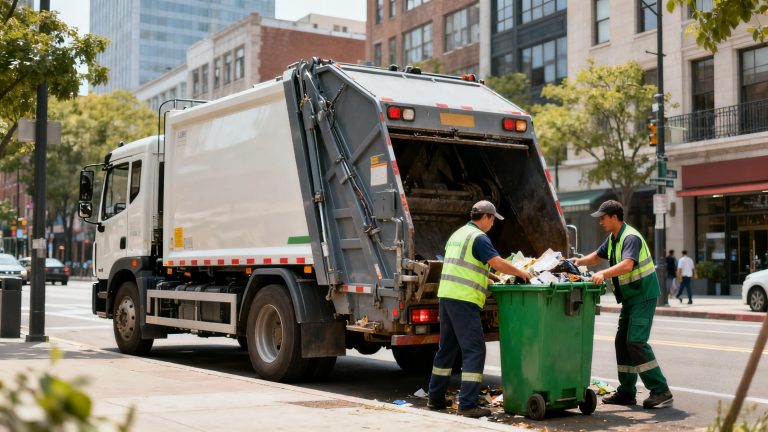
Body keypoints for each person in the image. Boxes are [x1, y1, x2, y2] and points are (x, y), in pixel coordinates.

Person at [427, 200, 532, 418]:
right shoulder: (479, 238)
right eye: (493, 219)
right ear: (485, 217)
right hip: (464, 300)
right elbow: (497, 262)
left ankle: (435, 398)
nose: (493, 224)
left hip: (447, 297)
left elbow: (471, 265)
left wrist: (495, 277)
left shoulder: (458, 235)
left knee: (446, 349)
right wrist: (520, 273)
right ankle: (467, 405)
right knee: (475, 350)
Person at [573, 200, 673, 409]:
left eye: (603, 217)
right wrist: (577, 262)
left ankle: (660, 390)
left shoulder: (630, 238)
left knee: (635, 341)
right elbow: (596, 257)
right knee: (622, 342)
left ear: (614, 217)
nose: (600, 221)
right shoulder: (613, 239)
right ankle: (627, 392)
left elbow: (627, 264)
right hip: (630, 298)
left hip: (643, 295)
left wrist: (603, 273)